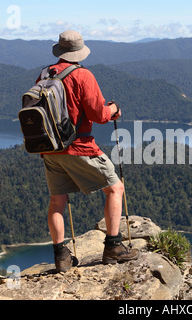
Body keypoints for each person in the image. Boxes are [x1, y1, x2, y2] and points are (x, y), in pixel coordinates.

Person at [39, 30, 139, 272]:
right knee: (115, 188)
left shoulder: (44, 74)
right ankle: (113, 247)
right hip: (78, 146)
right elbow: (98, 114)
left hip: (50, 148)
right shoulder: (82, 75)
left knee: (57, 202)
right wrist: (113, 109)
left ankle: (61, 257)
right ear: (79, 52)